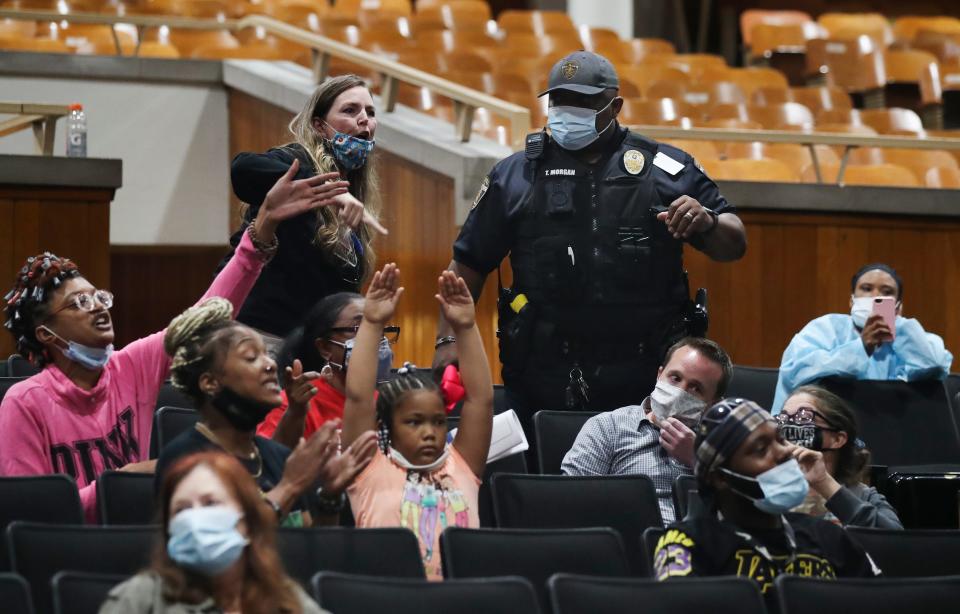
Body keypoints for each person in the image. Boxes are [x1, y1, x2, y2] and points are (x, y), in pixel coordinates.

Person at [0, 163, 348, 521]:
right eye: (80, 303)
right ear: (46, 333)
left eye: (99, 297)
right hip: (66, 552)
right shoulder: (24, 403)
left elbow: (209, 314)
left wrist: (263, 226)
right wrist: (117, 483)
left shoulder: (129, 365)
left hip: (140, 535)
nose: (99, 309)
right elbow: (29, 511)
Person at [432, 50, 746, 433]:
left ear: (614, 106)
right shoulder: (516, 176)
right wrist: (446, 341)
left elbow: (734, 243)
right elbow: (467, 266)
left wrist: (707, 221)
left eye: (583, 102)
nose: (568, 110)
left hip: (644, 378)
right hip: (543, 373)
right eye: (560, 100)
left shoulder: (664, 168)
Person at [156, 297, 378, 527]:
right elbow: (214, 544)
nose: (270, 365)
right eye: (251, 358)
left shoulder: (275, 456)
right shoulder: (186, 457)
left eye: (266, 355)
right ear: (210, 382)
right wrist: (289, 486)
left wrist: (329, 496)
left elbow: (311, 547)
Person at [342, 264, 493, 580]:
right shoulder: (369, 470)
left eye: (438, 422)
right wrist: (372, 322)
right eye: (413, 423)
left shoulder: (461, 467)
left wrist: (465, 327)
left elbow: (481, 400)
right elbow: (358, 396)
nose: (430, 433)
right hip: (389, 603)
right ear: (388, 427)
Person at [653, 398, 881, 603]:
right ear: (721, 477)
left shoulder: (829, 537)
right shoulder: (687, 543)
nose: (784, 452)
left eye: (780, 440)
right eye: (761, 449)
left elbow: (885, 600)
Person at [221, 74, 389, 350]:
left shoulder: (355, 196)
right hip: (259, 339)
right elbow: (243, 168)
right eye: (350, 110)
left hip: (309, 348)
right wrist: (331, 192)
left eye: (370, 113)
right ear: (320, 126)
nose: (364, 120)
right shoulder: (296, 162)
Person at [99, 451, 328, 613]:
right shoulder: (141, 598)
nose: (194, 518)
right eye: (182, 509)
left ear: (247, 521)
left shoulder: (283, 599)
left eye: (210, 504)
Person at [561, 337, 732, 523]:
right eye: (675, 378)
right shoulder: (608, 426)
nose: (680, 392)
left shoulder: (723, 446)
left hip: (699, 545)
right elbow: (571, 501)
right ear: (659, 375)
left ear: (713, 405)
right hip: (627, 541)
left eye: (695, 388)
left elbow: (745, 513)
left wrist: (697, 459)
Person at [772, 263, 952, 413]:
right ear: (852, 300)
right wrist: (861, 348)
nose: (875, 296)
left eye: (886, 291)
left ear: (898, 305)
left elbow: (935, 365)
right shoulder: (825, 328)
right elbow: (796, 373)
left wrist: (899, 325)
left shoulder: (915, 338)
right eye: (866, 289)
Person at [257, 291, 398, 449]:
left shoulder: (388, 405)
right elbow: (270, 462)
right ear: (324, 347)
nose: (371, 338)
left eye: (378, 328)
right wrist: (295, 414)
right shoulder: (295, 404)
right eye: (357, 328)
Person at [779, 385, 903, 529]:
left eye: (804, 418)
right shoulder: (767, 489)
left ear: (838, 439)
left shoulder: (862, 495)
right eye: (784, 419)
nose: (790, 426)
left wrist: (824, 483)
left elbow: (895, 541)